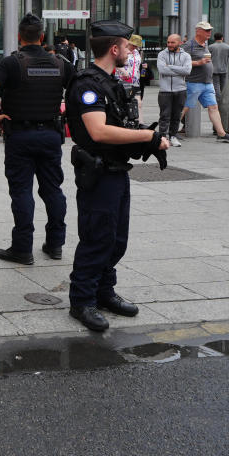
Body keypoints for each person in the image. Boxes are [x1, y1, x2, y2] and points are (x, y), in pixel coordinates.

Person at [64, 19, 168, 332]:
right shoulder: (87, 84)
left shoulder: (111, 83)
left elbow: (122, 125)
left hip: (117, 170)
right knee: (97, 237)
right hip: (98, 172)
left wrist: (143, 136)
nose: (130, 51)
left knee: (116, 239)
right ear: (114, 48)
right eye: (126, 46)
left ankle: (104, 292)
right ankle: (82, 301)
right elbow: (98, 131)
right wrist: (146, 139)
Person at [0, 12, 73, 265]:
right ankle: (55, 245)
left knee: (21, 191)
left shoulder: (12, 63)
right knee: (53, 189)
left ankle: (22, 248)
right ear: (42, 37)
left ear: (20, 37)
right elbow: (79, 91)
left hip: (20, 134)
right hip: (52, 135)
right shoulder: (60, 64)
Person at [180, 21, 229, 143]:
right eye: (206, 30)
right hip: (194, 83)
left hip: (207, 83)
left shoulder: (205, 44)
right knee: (185, 107)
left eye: (210, 30)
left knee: (213, 106)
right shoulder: (188, 45)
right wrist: (198, 63)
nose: (209, 32)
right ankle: (170, 132)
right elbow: (180, 62)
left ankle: (221, 134)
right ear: (198, 31)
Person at [156, 34, 191, 147]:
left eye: (173, 42)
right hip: (165, 90)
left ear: (179, 43)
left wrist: (170, 66)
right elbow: (162, 70)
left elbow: (187, 71)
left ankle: (173, 136)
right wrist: (179, 71)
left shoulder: (186, 56)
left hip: (181, 90)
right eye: (168, 42)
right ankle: (162, 137)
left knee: (176, 115)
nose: (170, 45)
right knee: (164, 116)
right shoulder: (162, 54)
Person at [209, 31, 229, 100]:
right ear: (222, 38)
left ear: (214, 38)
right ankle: (223, 99)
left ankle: (218, 101)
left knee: (216, 86)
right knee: (223, 86)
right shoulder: (227, 47)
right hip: (224, 70)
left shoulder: (210, 47)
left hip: (213, 70)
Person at [117, 34, 144, 120]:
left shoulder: (137, 52)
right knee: (124, 104)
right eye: (133, 45)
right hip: (123, 81)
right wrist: (123, 71)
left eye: (137, 45)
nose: (135, 47)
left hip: (135, 82)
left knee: (138, 103)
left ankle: (140, 124)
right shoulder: (122, 50)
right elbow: (115, 63)